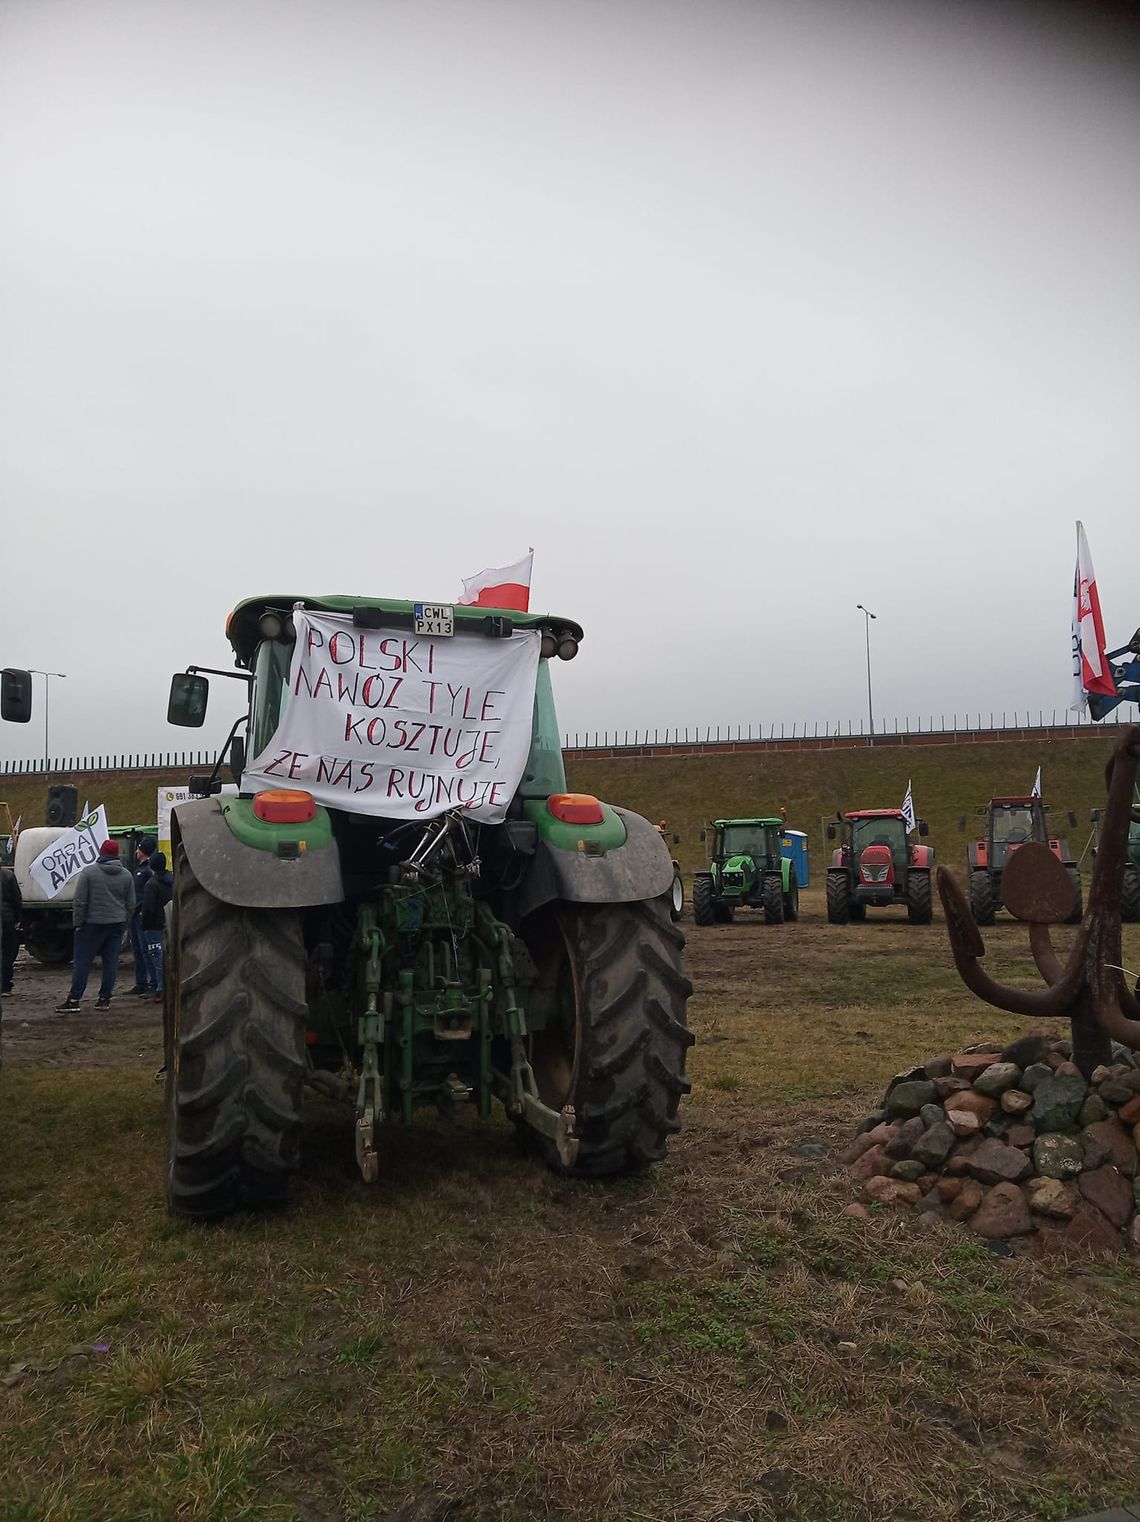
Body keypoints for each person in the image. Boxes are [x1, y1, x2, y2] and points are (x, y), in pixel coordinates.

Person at [55, 840, 135, 1013]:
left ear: (101, 852)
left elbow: (80, 901)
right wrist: (124, 921)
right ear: (117, 854)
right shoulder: (126, 875)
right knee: (111, 961)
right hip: (116, 924)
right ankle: (105, 999)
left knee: (82, 962)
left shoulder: (89, 873)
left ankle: (75, 999)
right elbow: (131, 903)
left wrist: (78, 923)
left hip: (91, 924)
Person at [127, 835, 158, 995]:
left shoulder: (147, 870)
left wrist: (142, 910)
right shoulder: (138, 868)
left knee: (146, 950)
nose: (136, 851)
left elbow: (148, 893)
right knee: (138, 950)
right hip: (134, 915)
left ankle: (153, 982)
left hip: (141, 915)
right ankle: (141, 983)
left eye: (139, 849)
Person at [141, 851, 173, 1002]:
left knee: (157, 958)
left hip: (154, 927)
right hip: (170, 923)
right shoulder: (173, 881)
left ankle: (160, 989)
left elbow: (148, 908)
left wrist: (144, 925)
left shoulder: (151, 885)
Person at [1, 865, 21, 995]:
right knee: (8, 953)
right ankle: (5, 985)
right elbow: (16, 898)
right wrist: (18, 918)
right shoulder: (8, 875)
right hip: (6, 919)